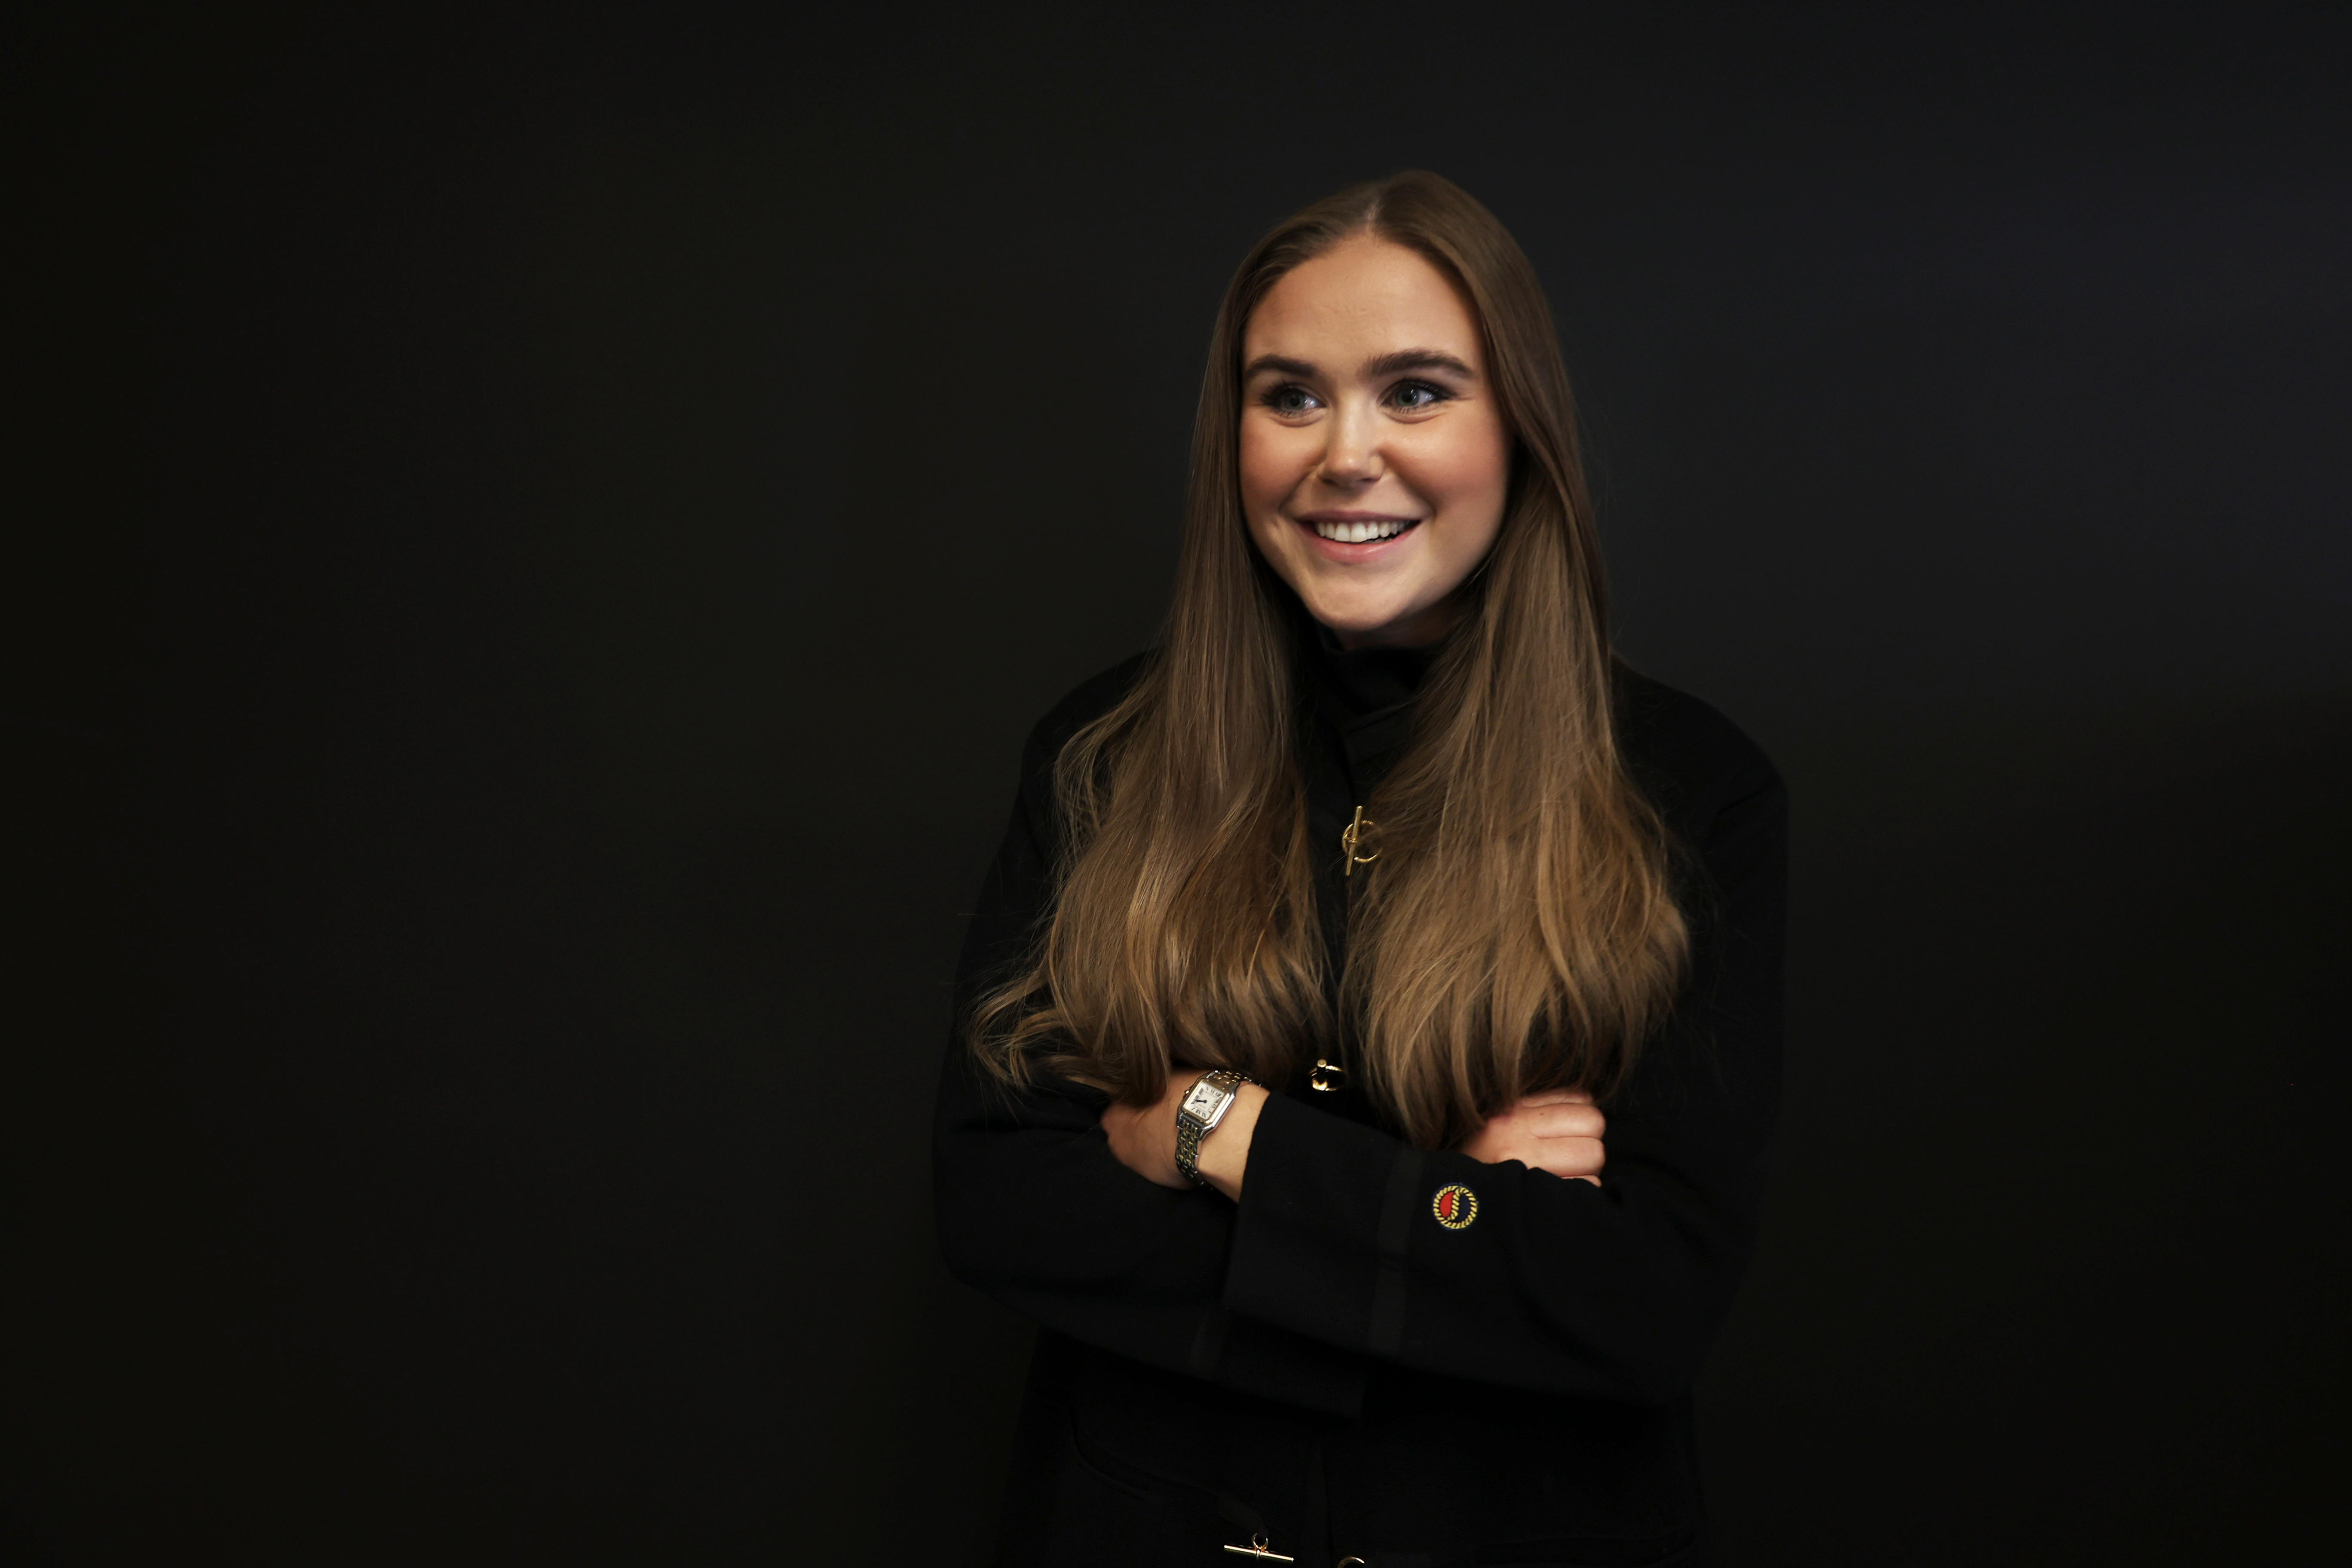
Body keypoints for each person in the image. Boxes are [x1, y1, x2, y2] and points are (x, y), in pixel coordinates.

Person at [933, 170, 1785, 1568]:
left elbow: (1643, 1306)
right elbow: (1002, 1203)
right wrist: (1457, 1212)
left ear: (1521, 428)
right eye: (1290, 396)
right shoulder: (1097, 755)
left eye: (1415, 391)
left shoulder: (1694, 793)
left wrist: (1215, 1130)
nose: (1345, 453)